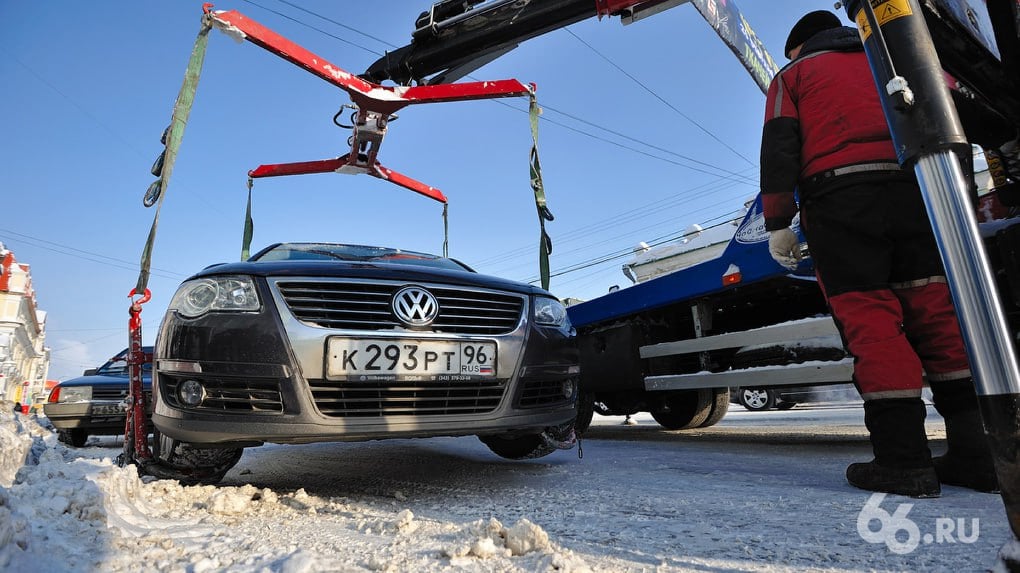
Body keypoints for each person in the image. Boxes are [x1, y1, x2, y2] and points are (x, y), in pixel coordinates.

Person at [760, 10, 998, 497]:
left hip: (842, 203)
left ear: (799, 46)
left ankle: (903, 462)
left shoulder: (795, 74)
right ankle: (980, 457)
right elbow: (956, 119)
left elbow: (779, 148)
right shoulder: (903, 52)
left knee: (872, 322)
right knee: (940, 318)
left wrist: (778, 223)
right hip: (920, 189)